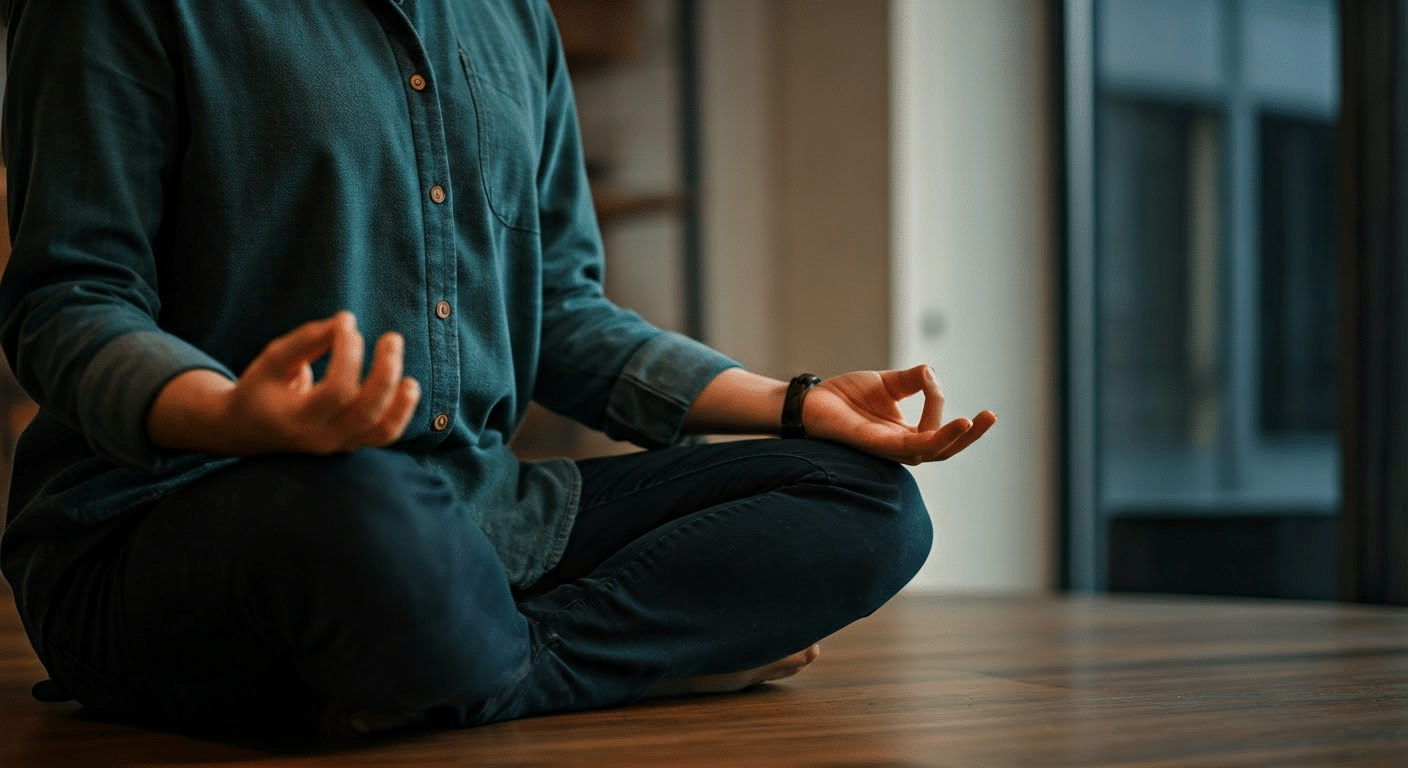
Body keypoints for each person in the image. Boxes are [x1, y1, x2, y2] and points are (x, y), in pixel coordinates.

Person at [0, 0, 996, 739]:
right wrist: (233, 414)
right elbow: (69, 301)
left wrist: (793, 402)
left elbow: (561, 311)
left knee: (866, 503)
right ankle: (611, 657)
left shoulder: (511, 16)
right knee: (366, 515)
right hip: (187, 519)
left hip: (469, 515)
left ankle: (471, 663)